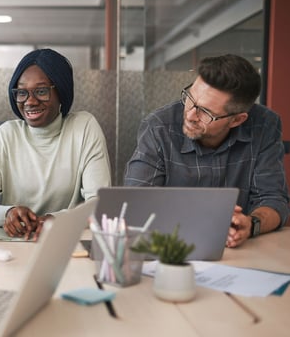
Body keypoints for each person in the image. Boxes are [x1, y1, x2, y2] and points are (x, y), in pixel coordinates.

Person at [124, 54, 289, 248]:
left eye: (206, 112)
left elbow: (273, 200)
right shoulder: (159, 127)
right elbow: (136, 203)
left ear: (237, 120)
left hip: (238, 251)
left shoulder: (265, 126)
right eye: (190, 98)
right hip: (171, 246)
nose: (190, 115)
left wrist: (250, 224)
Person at [0, 48, 111, 240]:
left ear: (61, 91)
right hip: (13, 248)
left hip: (65, 245)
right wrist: (7, 214)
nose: (30, 101)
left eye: (41, 91)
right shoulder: (7, 135)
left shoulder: (84, 128)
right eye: (22, 93)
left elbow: (100, 205)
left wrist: (55, 221)